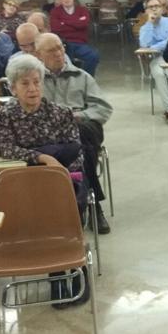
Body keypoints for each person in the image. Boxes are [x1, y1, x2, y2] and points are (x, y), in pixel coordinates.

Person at [0, 55, 91, 307]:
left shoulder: (61, 113)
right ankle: (58, 273)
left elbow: (76, 152)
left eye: (37, 82)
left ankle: (73, 267)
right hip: (25, 184)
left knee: (67, 202)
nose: (33, 88)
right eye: (25, 83)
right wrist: (44, 156)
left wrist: (58, 170)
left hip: (64, 179)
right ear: (12, 88)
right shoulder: (4, 116)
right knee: (46, 207)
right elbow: (6, 149)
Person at [36, 33, 113, 233]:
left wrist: (78, 116)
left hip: (83, 124)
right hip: (50, 131)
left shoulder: (82, 76)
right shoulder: (35, 81)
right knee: (81, 147)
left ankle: (85, 204)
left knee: (80, 136)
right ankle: (91, 203)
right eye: (51, 50)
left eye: (60, 47)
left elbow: (103, 109)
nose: (58, 53)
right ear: (39, 55)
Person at [138, 0, 168, 123]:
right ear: (146, 11)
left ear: (162, 9)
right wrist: (150, 23)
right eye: (151, 7)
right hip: (158, 58)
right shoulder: (145, 28)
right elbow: (144, 45)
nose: (154, 9)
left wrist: (154, 46)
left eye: (157, 6)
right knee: (159, 72)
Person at [49, 0, 100, 77]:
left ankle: (86, 79)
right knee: (62, 60)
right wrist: (76, 22)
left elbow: (84, 24)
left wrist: (64, 22)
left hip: (80, 43)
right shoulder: (55, 12)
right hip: (63, 43)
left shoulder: (82, 10)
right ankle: (66, 80)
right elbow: (56, 28)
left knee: (93, 56)